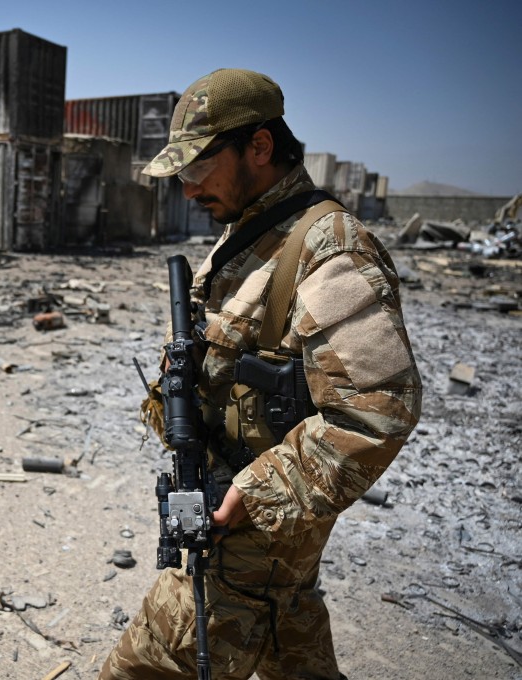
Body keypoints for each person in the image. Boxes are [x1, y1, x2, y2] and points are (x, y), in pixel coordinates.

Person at [99, 68, 422, 679]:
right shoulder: (254, 231)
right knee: (289, 640)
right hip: (259, 531)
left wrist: (254, 494)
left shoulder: (329, 247)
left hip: (250, 534)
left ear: (260, 146)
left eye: (199, 168)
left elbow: (377, 411)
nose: (189, 190)